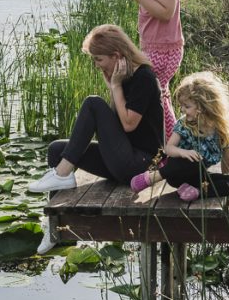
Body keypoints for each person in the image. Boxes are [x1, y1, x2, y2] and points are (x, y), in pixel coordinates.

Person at [28, 25, 164, 253]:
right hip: (124, 158)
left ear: (117, 56)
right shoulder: (122, 75)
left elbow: (129, 124)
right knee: (55, 150)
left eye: (98, 59)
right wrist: (114, 84)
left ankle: (62, 175)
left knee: (93, 103)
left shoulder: (144, 77)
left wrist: (115, 86)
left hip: (141, 165)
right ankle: (54, 227)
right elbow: (118, 126)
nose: (96, 65)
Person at [108, 0, 183, 142]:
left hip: (166, 49)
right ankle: (167, 141)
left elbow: (166, 12)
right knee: (159, 95)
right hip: (153, 48)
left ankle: (169, 143)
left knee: (158, 95)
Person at [129, 71, 229, 201]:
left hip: (199, 178)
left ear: (204, 106)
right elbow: (169, 148)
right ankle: (152, 177)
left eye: (187, 106)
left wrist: (226, 177)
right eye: (182, 106)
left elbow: (227, 156)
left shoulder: (220, 130)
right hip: (177, 172)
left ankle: (196, 192)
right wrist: (183, 152)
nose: (183, 110)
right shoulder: (184, 124)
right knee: (194, 160)